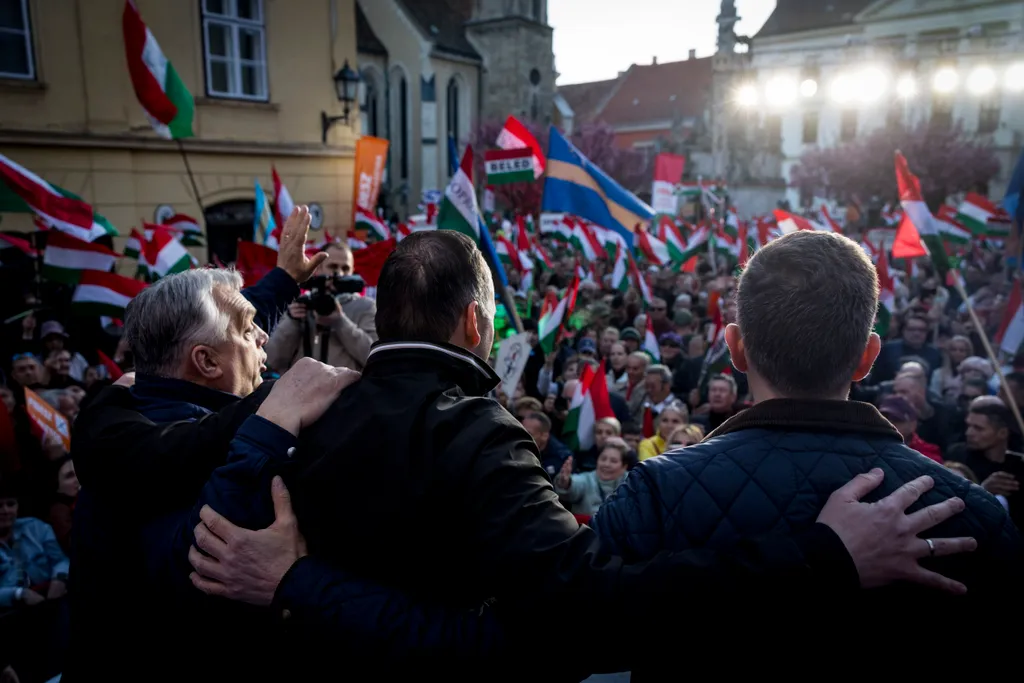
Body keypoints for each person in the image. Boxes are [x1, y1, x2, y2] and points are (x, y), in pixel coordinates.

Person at [173, 231, 977, 677]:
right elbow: (579, 610)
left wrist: (297, 583)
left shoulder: (294, 413)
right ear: (477, 325)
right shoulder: (476, 430)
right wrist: (822, 554)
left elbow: (200, 539)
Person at [594, 231, 1022, 663]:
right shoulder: (974, 514)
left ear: (736, 349)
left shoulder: (654, 492)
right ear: (868, 356)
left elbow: (576, 625)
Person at [264, 242, 376, 372]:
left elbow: (373, 358)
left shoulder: (365, 307)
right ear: (318, 269)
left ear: (352, 271)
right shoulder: (298, 305)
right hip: (301, 384)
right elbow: (272, 360)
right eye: (333, 266)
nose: (339, 273)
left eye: (345, 268)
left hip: (347, 385)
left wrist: (340, 322)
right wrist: (292, 321)